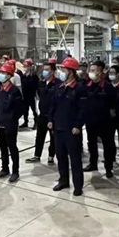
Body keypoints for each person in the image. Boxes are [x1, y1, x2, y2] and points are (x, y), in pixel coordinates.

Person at [49, 57, 87, 196]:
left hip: (72, 129)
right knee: (61, 156)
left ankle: (78, 185)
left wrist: (78, 125)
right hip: (58, 127)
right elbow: (53, 106)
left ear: (71, 72)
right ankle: (63, 180)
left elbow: (83, 109)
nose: (61, 72)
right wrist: (50, 120)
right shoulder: (59, 87)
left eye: (64, 70)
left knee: (75, 158)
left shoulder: (79, 88)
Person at [84, 60, 118, 178]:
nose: (90, 72)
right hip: (90, 121)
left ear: (100, 72)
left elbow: (114, 105)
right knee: (91, 143)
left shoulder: (108, 87)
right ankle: (93, 163)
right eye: (90, 70)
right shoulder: (87, 86)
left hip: (106, 122)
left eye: (93, 70)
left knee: (108, 145)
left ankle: (108, 167)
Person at [26, 58, 60, 164]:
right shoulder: (41, 83)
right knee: (40, 136)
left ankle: (51, 156)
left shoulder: (58, 84)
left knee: (53, 138)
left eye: (47, 69)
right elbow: (39, 96)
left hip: (53, 115)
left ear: (53, 71)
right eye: (44, 69)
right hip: (42, 114)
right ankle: (37, 155)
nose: (45, 71)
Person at [0, 62, 23, 182]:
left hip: (10, 124)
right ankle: (4, 168)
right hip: (0, 123)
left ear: (9, 75)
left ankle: (15, 171)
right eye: (0, 72)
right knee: (3, 147)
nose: (0, 75)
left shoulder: (14, 91)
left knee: (12, 147)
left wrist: (11, 119)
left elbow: (20, 109)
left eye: (3, 73)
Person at [20, 59, 39, 129]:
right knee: (25, 110)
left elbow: (35, 86)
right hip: (25, 95)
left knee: (34, 110)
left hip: (32, 95)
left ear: (30, 66)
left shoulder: (34, 76)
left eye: (26, 66)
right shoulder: (23, 76)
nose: (25, 67)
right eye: (24, 66)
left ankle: (36, 123)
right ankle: (25, 122)